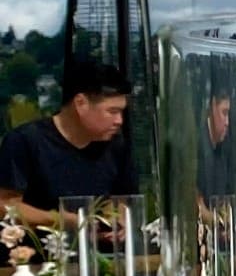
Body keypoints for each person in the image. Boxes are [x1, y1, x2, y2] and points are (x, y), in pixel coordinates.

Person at [0, 58, 139, 225]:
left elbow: (122, 199)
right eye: (112, 111)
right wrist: (61, 221)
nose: (119, 121)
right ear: (81, 103)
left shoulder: (116, 146)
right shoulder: (24, 141)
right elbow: (6, 205)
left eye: (121, 112)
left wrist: (117, 220)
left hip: (100, 248)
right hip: (38, 247)